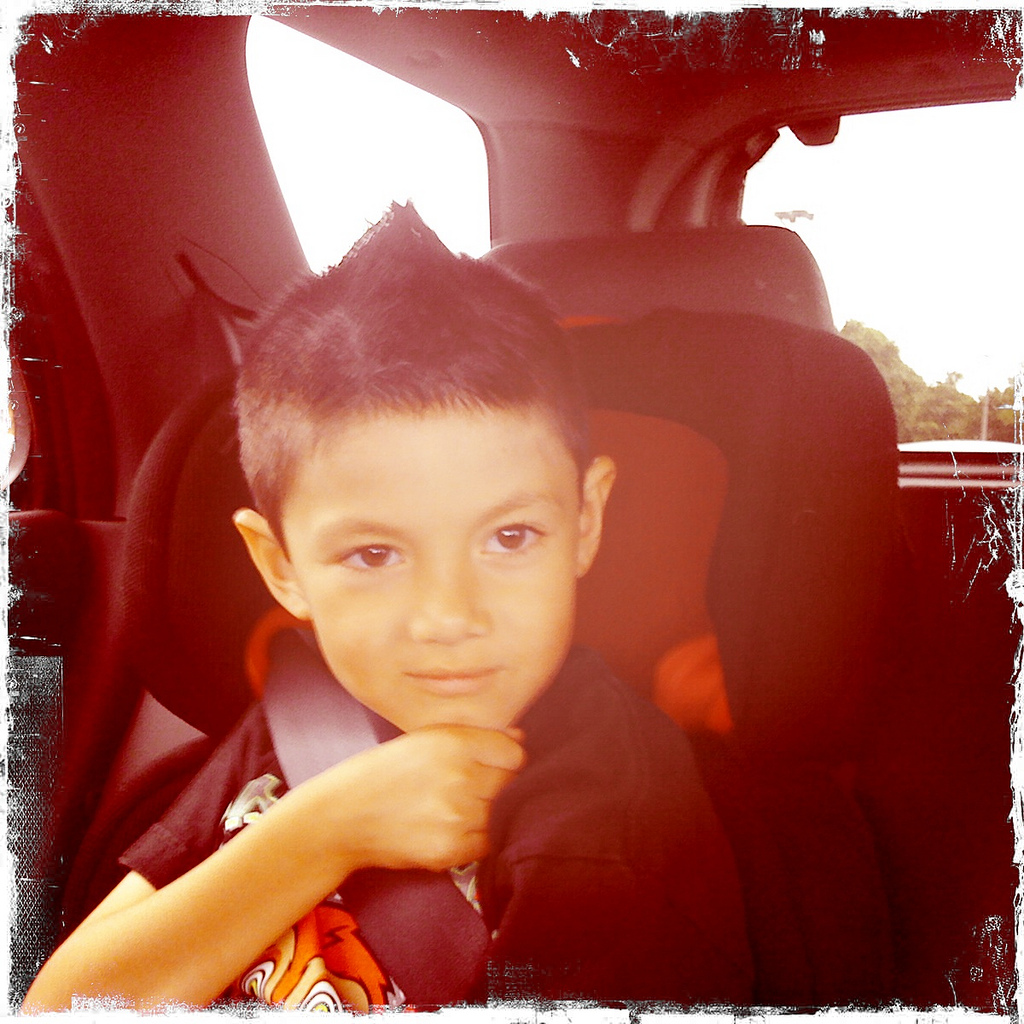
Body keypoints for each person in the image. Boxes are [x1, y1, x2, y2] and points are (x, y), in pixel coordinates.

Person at [23, 204, 751, 1012]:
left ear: (585, 522)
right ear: (281, 567)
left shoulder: (603, 839)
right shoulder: (292, 726)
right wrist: (324, 830)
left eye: (510, 537)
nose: (448, 617)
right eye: (373, 555)